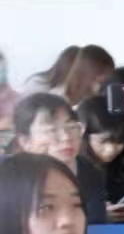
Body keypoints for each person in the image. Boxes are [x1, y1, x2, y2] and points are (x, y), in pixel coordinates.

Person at [15, 93, 109, 223]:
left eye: (71, 127)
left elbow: (95, 225)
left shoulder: (90, 172)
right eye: (52, 130)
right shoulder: (9, 179)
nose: (66, 137)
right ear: (26, 141)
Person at [77, 96, 124, 221]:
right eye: (102, 141)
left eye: (120, 141)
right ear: (83, 136)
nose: (111, 149)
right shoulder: (71, 170)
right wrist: (96, 213)